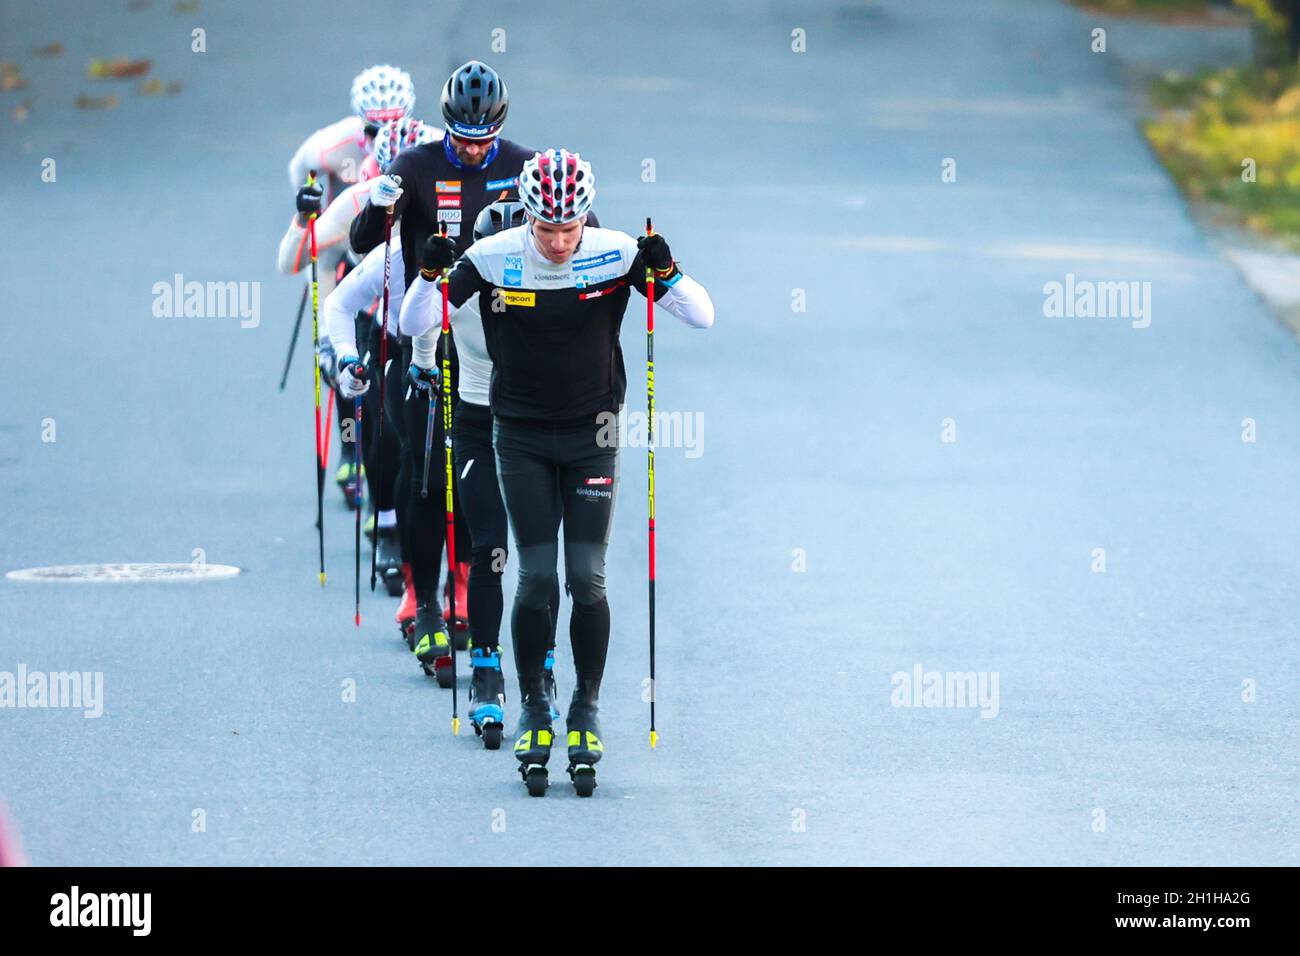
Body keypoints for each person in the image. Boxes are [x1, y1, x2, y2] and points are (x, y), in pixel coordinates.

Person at [402, 149, 714, 794]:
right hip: (518, 436)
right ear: (531, 217)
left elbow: (701, 314)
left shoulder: (615, 250)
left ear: (585, 217)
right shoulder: (492, 258)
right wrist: (430, 275)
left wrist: (670, 271)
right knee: (537, 577)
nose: (559, 241)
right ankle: (535, 707)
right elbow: (415, 323)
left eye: (569, 228)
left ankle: (585, 710)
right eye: (547, 228)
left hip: (593, 435)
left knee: (586, 578)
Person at [352, 60, 535, 646]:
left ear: (500, 128)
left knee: (477, 470)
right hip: (425, 339)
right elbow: (362, 243)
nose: (474, 152)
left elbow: (577, 233)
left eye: (484, 142)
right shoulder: (415, 166)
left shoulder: (525, 166)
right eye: (461, 140)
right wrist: (380, 204)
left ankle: (462, 585)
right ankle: (419, 594)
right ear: (447, 128)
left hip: (493, 342)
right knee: (425, 473)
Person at [398, 201, 562, 746]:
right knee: (489, 546)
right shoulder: (465, 284)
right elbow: (421, 327)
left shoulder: (544, 284)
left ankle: (541, 667)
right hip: (476, 420)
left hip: (535, 422)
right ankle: (487, 672)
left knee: (541, 554)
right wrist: (423, 365)